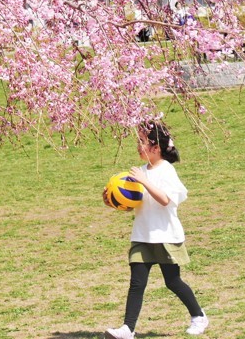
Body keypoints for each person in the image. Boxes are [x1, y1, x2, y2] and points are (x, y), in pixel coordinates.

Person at [105, 123, 209, 339]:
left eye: (142, 142)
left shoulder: (166, 171)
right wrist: (112, 199)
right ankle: (128, 329)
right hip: (142, 235)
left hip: (165, 235)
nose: (138, 146)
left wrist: (144, 181)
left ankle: (199, 316)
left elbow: (164, 200)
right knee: (137, 283)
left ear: (156, 147)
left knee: (172, 282)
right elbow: (133, 201)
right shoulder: (139, 173)